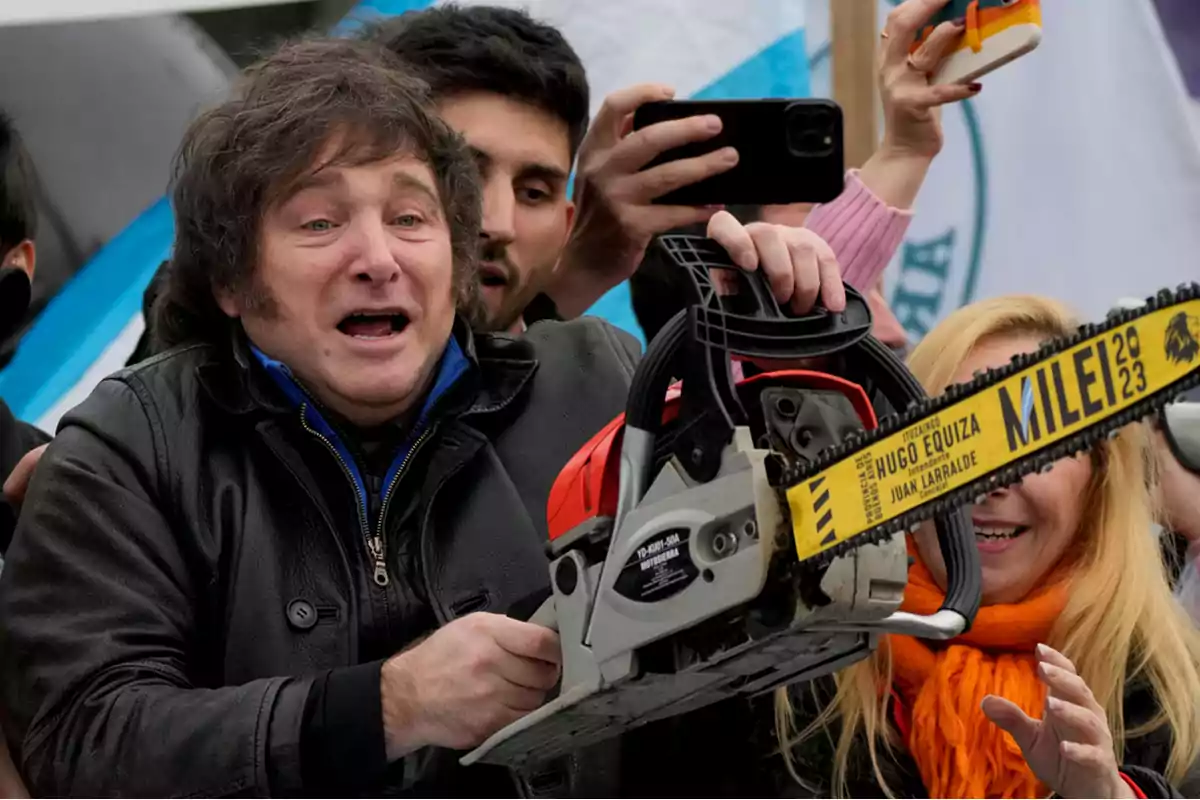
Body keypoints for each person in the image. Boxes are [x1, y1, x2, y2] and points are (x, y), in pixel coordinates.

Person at [0, 37, 847, 797]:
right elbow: (84, 740)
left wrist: (776, 356)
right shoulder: (130, 446)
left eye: (411, 219)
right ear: (231, 279)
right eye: (320, 221)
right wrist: (383, 707)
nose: (377, 259)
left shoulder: (596, 387)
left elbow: (757, 664)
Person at [769, 295, 1200, 798]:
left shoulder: (1171, 696)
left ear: (1099, 479)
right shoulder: (794, 663)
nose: (993, 482)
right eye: (956, 445)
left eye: (1036, 444)